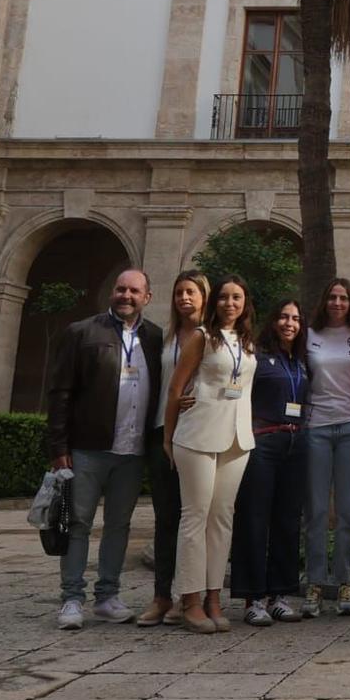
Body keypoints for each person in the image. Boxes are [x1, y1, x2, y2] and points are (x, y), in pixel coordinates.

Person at [46, 267, 165, 631]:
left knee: (119, 524)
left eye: (134, 291)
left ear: (147, 297)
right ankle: (71, 598)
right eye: (120, 289)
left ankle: (108, 596)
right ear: (112, 293)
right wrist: (58, 445)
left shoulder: (155, 337)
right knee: (77, 522)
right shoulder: (82, 332)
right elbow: (61, 392)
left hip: (131, 450)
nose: (125, 296)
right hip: (87, 448)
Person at [163, 277, 256, 634]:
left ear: (245, 303)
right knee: (195, 517)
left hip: (237, 437)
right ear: (214, 302)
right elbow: (175, 387)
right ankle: (189, 599)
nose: (230, 303)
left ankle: (214, 598)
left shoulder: (247, 342)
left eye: (237, 297)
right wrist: (168, 439)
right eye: (223, 297)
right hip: (198, 435)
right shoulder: (202, 336)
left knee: (222, 519)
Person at [230, 296, 310, 625]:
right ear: (273, 321)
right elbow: (235, 395)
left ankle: (279, 594)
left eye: (295, 318)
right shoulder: (256, 358)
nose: (289, 323)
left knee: (287, 520)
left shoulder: (301, 362)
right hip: (263, 444)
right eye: (283, 317)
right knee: (254, 519)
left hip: (296, 443)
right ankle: (253, 598)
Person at [136, 270, 207, 627]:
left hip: (199, 433)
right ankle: (162, 596)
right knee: (166, 518)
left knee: (195, 518)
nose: (184, 298)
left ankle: (187, 595)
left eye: (191, 292)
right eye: (179, 292)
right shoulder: (161, 339)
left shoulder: (213, 339)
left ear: (203, 297)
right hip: (162, 432)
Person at [304, 276, 350, 618]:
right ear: (324, 301)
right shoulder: (310, 335)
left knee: (348, 511)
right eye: (332, 297)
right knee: (315, 510)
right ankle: (314, 583)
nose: (338, 303)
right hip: (316, 427)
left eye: (344, 297)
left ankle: (346, 582)